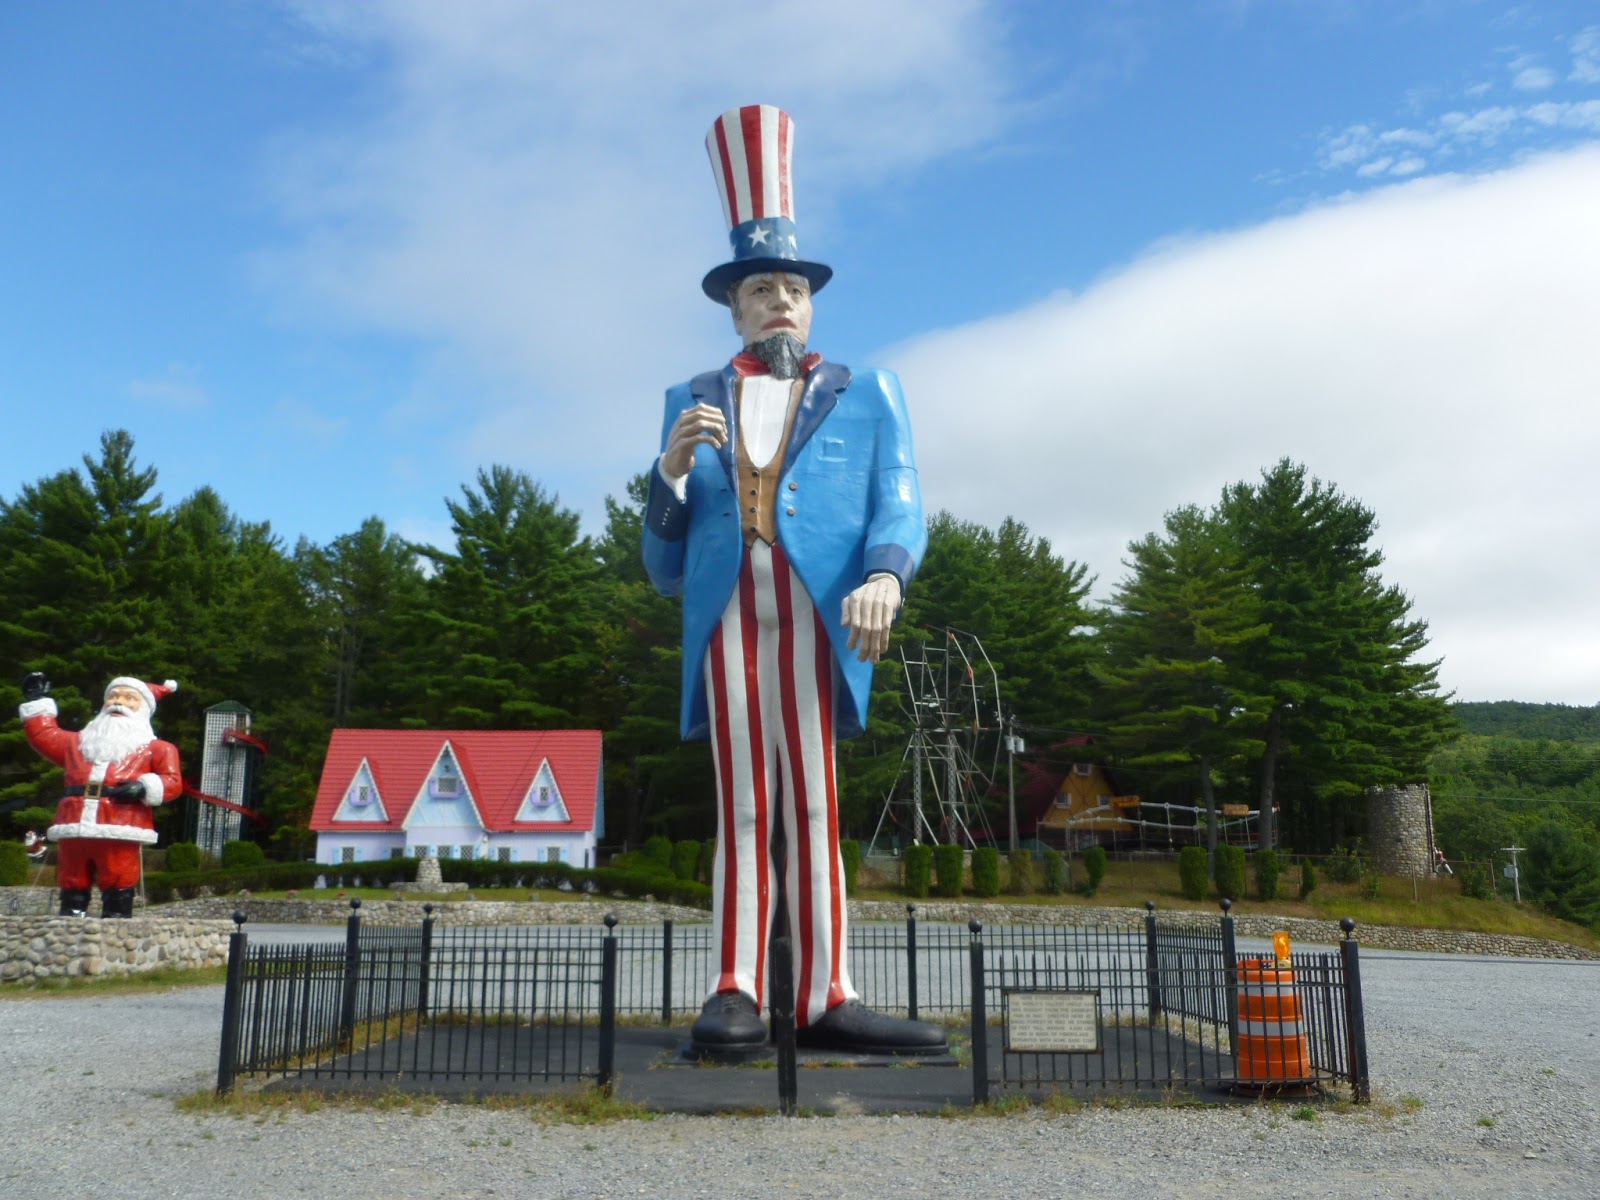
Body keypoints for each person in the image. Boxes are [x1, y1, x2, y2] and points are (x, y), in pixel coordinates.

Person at [642, 104, 942, 1056]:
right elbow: (662, 566)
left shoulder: (870, 392)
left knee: (815, 800)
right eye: (761, 287)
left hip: (817, 616)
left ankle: (824, 991)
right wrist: (670, 477)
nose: (780, 301)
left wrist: (887, 576)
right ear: (733, 306)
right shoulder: (689, 401)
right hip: (730, 613)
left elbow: (901, 500)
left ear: (811, 304)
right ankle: (736, 986)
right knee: (743, 804)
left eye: (792, 288)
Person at [17, 672, 181, 917]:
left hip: (120, 824)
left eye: (129, 698)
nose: (118, 702)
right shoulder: (78, 744)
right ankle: (71, 917)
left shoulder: (158, 749)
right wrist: (38, 700)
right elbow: (43, 736)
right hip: (74, 823)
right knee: (72, 876)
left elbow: (173, 782)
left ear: (144, 709)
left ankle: (116, 920)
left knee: (118, 874)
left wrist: (144, 787)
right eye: (113, 696)